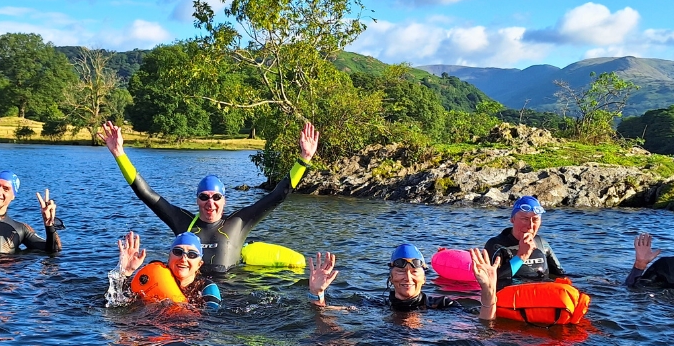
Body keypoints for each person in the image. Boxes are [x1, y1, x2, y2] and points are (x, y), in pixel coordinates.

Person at [99, 120, 319, 274]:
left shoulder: (239, 222)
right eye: (204, 197)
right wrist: (119, 154)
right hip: (193, 292)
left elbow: (278, 195)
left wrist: (304, 159)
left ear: (224, 200)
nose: (210, 203)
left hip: (231, 294)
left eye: (216, 197)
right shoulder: (183, 222)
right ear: (197, 200)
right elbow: (146, 194)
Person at [306, 244, 496, 319]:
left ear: (424, 277)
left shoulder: (442, 305)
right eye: (399, 271)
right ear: (390, 277)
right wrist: (316, 293)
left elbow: (483, 324)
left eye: (414, 271)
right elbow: (322, 312)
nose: (407, 277)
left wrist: (488, 290)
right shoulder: (376, 305)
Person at [110, 231, 221, 310]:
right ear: (169, 257)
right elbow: (114, 304)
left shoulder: (206, 288)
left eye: (192, 254)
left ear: (199, 264)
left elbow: (210, 319)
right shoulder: (153, 277)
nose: (183, 258)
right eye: (178, 252)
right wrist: (126, 273)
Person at [484, 196, 565, 290]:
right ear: (512, 219)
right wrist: (521, 257)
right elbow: (489, 280)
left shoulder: (542, 243)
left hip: (539, 298)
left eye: (535, 220)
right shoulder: (496, 245)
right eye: (525, 219)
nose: (530, 226)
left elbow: (561, 276)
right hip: (510, 300)